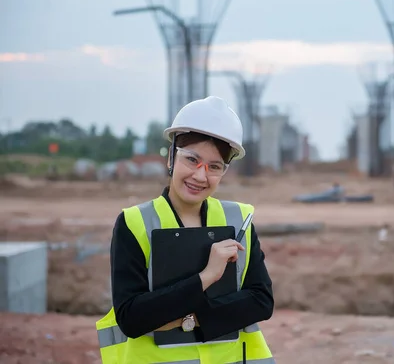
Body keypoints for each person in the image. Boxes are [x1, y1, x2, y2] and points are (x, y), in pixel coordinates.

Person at [95, 96, 275, 364]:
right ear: (171, 156)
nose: (201, 176)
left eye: (214, 167)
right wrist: (206, 277)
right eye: (192, 160)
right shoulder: (134, 223)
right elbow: (132, 318)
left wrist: (187, 319)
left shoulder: (239, 219)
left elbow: (261, 301)